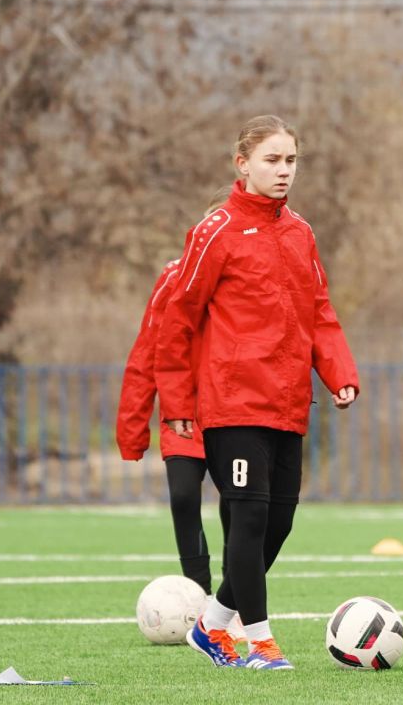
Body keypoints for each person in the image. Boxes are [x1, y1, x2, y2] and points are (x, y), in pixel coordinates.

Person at [156, 115, 359, 670]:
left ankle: (211, 625)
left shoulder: (300, 232)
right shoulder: (215, 231)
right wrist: (177, 403)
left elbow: (319, 311)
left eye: (291, 160)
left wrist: (338, 371)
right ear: (242, 164)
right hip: (233, 404)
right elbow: (178, 320)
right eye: (272, 160)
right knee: (247, 520)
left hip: (288, 403)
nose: (284, 170)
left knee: (279, 523)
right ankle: (261, 644)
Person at [116, 188, 229, 597]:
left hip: (233, 412)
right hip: (183, 415)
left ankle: (233, 596)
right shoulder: (174, 278)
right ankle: (198, 593)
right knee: (183, 497)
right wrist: (132, 430)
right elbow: (146, 353)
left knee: (238, 506)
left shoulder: (253, 283)